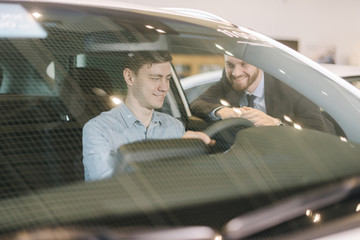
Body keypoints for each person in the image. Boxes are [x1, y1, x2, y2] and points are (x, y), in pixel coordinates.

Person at [83, 51, 213, 182]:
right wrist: (169, 150)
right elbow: (107, 187)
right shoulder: (99, 129)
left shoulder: (174, 126)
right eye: (155, 78)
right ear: (129, 77)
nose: (164, 87)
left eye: (167, 78)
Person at [190, 55, 325, 131]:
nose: (236, 73)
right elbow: (198, 103)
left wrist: (276, 124)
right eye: (230, 65)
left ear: (260, 63)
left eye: (244, 64)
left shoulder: (292, 85)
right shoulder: (228, 80)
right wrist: (223, 111)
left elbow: (316, 131)